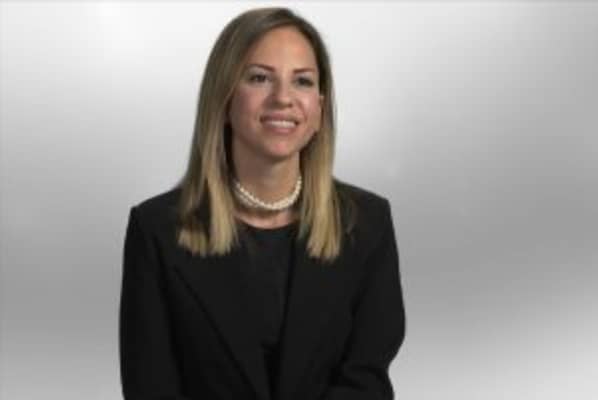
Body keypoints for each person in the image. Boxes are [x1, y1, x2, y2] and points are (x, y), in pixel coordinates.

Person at [119, 7, 406, 400]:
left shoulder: (368, 224)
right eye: (259, 78)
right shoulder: (156, 231)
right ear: (224, 99)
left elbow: (366, 383)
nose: (283, 98)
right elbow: (151, 388)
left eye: (302, 81)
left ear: (319, 108)